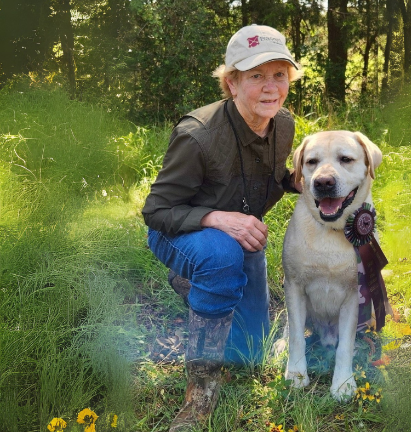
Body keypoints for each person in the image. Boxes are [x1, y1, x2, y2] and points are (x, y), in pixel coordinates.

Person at [141, 24, 303, 432]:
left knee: (252, 355)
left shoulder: (282, 125)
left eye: (279, 74)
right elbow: (157, 211)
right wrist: (215, 218)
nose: (270, 87)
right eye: (255, 76)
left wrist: (299, 180)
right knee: (219, 256)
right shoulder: (197, 136)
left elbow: (272, 174)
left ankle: (195, 287)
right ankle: (201, 392)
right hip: (181, 233)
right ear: (231, 82)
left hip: (242, 236)